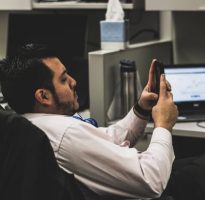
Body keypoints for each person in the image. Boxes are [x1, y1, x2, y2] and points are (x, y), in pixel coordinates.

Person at [0, 43, 178, 199]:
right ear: (43, 96)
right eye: (63, 79)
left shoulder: (30, 126)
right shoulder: (65, 133)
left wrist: (141, 109)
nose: (73, 81)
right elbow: (151, 179)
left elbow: (106, 140)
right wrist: (163, 124)